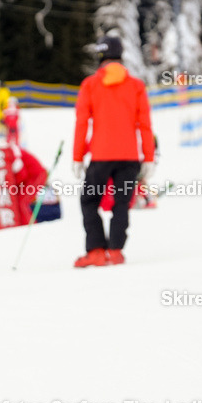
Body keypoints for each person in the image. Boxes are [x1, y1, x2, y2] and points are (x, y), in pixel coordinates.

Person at [72, 35, 155, 267]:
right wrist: (148, 157)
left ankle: (96, 251)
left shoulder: (90, 84)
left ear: (100, 56)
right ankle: (116, 251)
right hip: (129, 157)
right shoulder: (136, 86)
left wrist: (77, 156)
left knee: (89, 201)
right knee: (122, 203)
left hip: (101, 156)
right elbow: (145, 125)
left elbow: (82, 123)